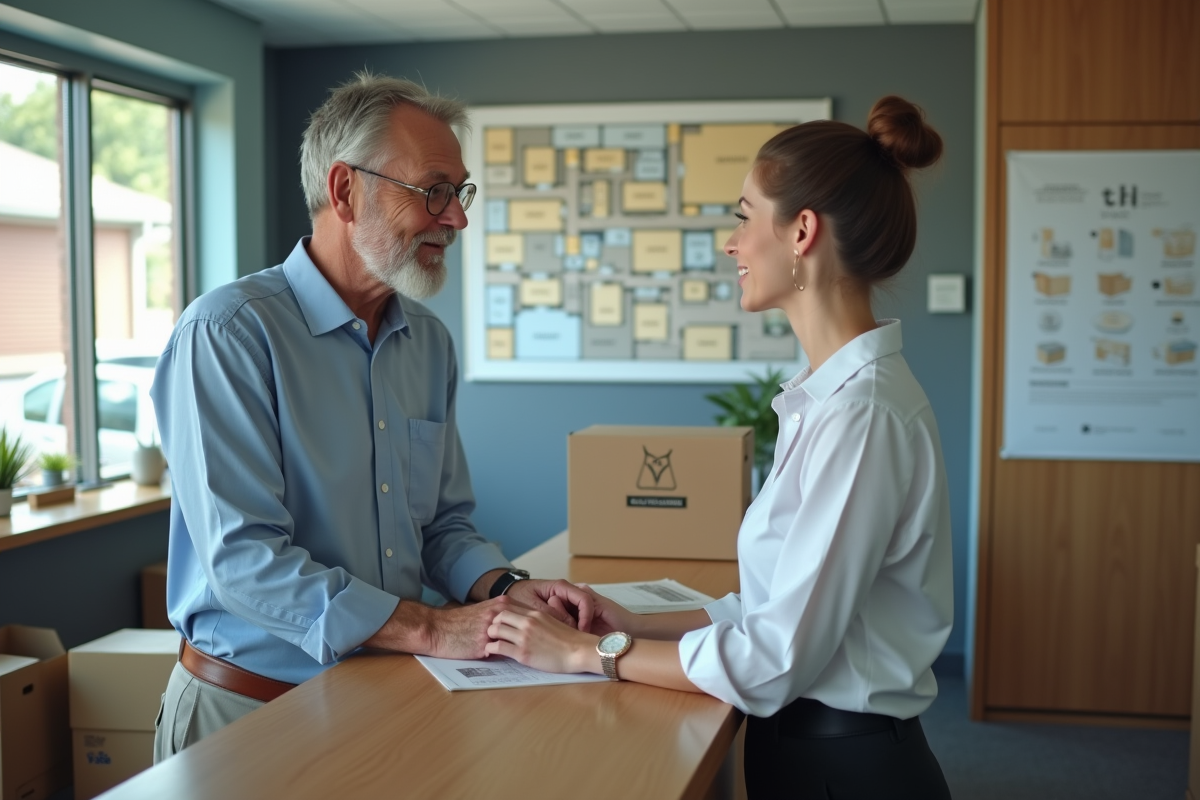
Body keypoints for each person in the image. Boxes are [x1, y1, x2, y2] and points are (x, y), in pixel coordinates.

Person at [485, 96, 954, 799]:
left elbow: (776, 656)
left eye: (743, 217)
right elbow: (773, 610)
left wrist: (590, 652)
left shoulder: (862, 415)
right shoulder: (829, 398)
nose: (731, 244)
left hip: (845, 767)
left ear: (802, 232)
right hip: (807, 749)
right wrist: (632, 622)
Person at [150, 72, 592, 760]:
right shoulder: (229, 333)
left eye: (460, 192)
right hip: (247, 713)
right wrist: (431, 629)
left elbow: (441, 526)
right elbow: (244, 560)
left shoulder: (429, 344)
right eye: (434, 191)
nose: (457, 219)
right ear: (345, 191)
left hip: (384, 699)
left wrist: (509, 590)